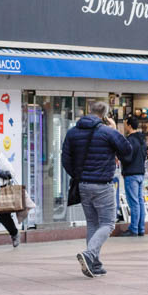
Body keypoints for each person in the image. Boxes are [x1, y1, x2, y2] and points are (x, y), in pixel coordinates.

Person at [60, 99, 134, 278]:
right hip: (102, 184)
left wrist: (78, 175)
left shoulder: (72, 132)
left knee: (93, 223)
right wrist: (115, 129)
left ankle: (95, 264)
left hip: (83, 184)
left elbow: (65, 159)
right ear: (105, 115)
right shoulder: (108, 132)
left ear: (89, 111)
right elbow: (127, 151)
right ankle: (89, 254)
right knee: (108, 224)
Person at [116, 117, 148, 237]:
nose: (124, 126)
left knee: (134, 202)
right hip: (140, 172)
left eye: (125, 124)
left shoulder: (129, 140)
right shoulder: (142, 139)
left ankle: (134, 229)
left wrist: (120, 156)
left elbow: (127, 157)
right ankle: (141, 228)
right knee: (140, 202)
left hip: (131, 174)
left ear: (129, 125)